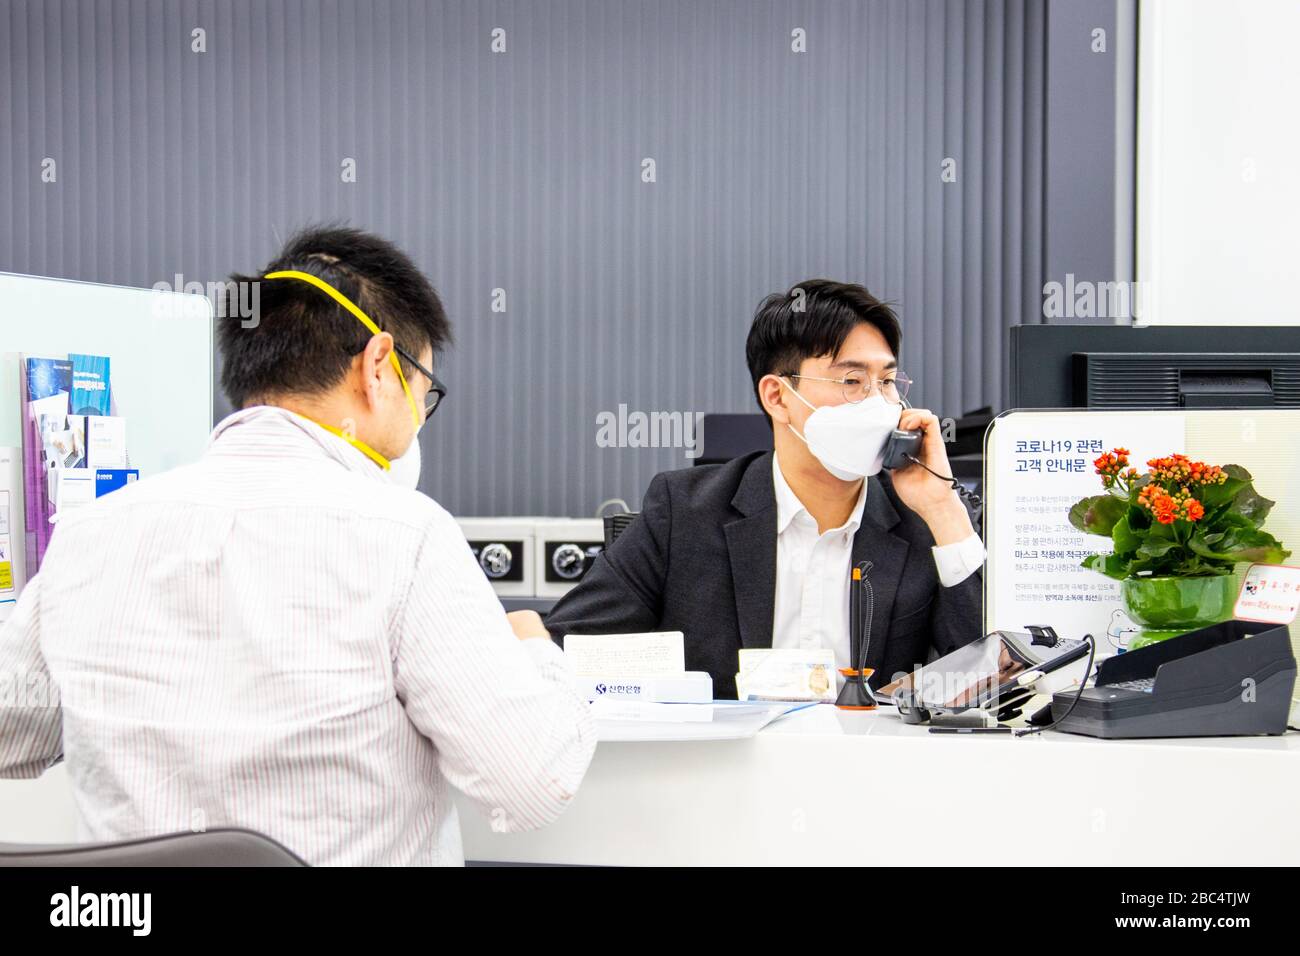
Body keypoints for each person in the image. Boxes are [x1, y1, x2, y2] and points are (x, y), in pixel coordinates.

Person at [0, 226, 595, 865]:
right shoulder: (406, 537)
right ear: (379, 366)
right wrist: (538, 654)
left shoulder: (90, 535)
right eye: (426, 393)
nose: (420, 420)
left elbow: (12, 733)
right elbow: (531, 782)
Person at [545, 279, 984, 698]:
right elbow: (568, 648)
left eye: (886, 381)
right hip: (725, 770)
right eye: (852, 381)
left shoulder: (921, 522)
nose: (878, 402)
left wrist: (942, 509)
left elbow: (993, 678)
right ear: (776, 396)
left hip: (865, 769)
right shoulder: (685, 513)